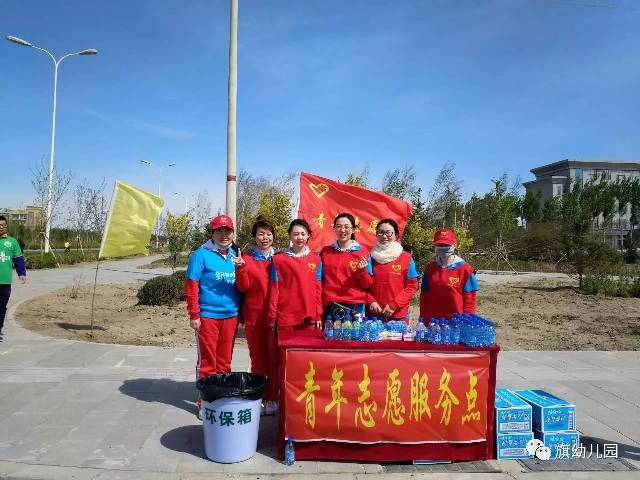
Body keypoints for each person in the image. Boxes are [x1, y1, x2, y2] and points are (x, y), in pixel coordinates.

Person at [184, 214, 241, 416]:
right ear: (212, 233)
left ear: (233, 233)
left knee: (224, 361)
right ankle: (206, 402)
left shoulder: (235, 255)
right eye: (219, 231)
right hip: (208, 316)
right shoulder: (201, 254)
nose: (224, 235)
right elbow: (192, 285)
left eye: (228, 231)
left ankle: (221, 398)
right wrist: (194, 314)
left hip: (231, 315)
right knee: (208, 361)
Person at [265, 219, 323, 415]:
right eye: (296, 233)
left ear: (308, 236)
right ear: (290, 235)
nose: (299, 237)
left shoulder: (316, 260)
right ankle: (276, 398)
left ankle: (303, 401)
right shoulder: (279, 260)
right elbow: (274, 290)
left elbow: (318, 290)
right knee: (282, 362)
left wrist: (318, 315)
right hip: (286, 319)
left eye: (303, 234)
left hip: (308, 319)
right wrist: (272, 316)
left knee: (306, 363)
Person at [234, 217, 277, 414]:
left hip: (276, 317)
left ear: (273, 236)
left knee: (274, 359)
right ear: (254, 237)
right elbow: (243, 287)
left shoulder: (280, 259)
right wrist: (241, 268)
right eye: (260, 234)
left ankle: (273, 397)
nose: (264, 237)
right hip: (254, 316)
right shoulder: (247, 259)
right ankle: (258, 397)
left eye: (268, 234)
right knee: (258, 360)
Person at [419, 227, 479, 320]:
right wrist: (423, 318)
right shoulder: (430, 269)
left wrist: (467, 322)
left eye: (446, 245)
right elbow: (424, 296)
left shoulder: (466, 270)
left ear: (454, 245)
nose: (443, 248)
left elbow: (470, 301)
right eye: (440, 245)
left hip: (456, 322)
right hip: (433, 322)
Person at [320, 212, 372, 318]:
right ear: (334, 229)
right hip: (330, 305)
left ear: (353, 230)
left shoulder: (363, 252)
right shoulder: (325, 252)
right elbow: (319, 280)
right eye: (339, 226)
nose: (342, 230)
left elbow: (368, 285)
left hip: (355, 306)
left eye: (346, 227)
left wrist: (362, 271)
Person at [366, 218, 419, 321]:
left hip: (398, 315)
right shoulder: (369, 257)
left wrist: (394, 304)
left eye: (388, 233)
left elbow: (412, 286)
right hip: (374, 315)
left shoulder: (406, 258)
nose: (384, 236)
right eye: (381, 232)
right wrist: (371, 301)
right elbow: (364, 285)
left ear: (396, 235)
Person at [0, 215, 27, 342]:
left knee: (1, 307)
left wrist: (22, 273)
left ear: (6, 226)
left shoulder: (12, 242)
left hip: (5, 282)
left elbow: (18, 259)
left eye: (3, 225)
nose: (1, 227)